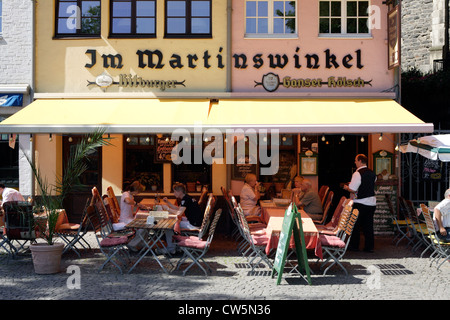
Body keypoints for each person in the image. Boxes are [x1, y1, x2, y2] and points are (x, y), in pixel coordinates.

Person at [343, 154, 377, 253]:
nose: (355, 162)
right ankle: (369, 247)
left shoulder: (357, 173)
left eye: (355, 160)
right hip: (371, 203)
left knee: (355, 225)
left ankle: (354, 246)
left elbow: (353, 189)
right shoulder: (372, 173)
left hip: (360, 203)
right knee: (368, 226)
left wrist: (346, 187)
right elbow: (370, 184)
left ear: (360, 161)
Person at [160, 183, 204, 254]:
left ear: (179, 192)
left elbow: (179, 213)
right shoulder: (187, 197)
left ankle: (170, 249)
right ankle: (176, 247)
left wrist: (168, 209)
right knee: (174, 223)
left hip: (193, 224)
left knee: (168, 226)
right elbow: (179, 209)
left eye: (174, 191)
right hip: (196, 221)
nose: (174, 193)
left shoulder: (185, 200)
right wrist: (168, 202)